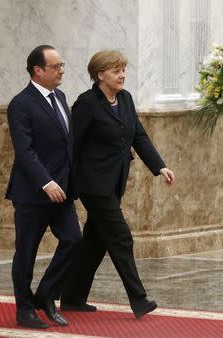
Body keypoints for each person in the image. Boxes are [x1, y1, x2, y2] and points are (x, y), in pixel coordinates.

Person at [61, 50, 174, 319]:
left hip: (115, 181)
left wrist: (160, 166)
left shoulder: (124, 98)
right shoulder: (87, 103)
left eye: (123, 69)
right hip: (92, 184)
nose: (122, 75)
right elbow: (71, 144)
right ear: (100, 75)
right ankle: (139, 299)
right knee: (121, 236)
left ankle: (72, 297)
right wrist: (66, 182)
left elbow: (139, 136)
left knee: (95, 241)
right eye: (115, 70)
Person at [6, 45, 81, 329]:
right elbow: (25, 152)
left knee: (74, 240)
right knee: (26, 252)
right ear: (38, 70)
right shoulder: (20, 104)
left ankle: (46, 296)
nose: (62, 70)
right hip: (32, 193)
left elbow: (65, 145)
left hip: (62, 190)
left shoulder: (60, 97)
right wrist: (46, 182)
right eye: (56, 66)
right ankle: (24, 310)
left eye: (62, 65)